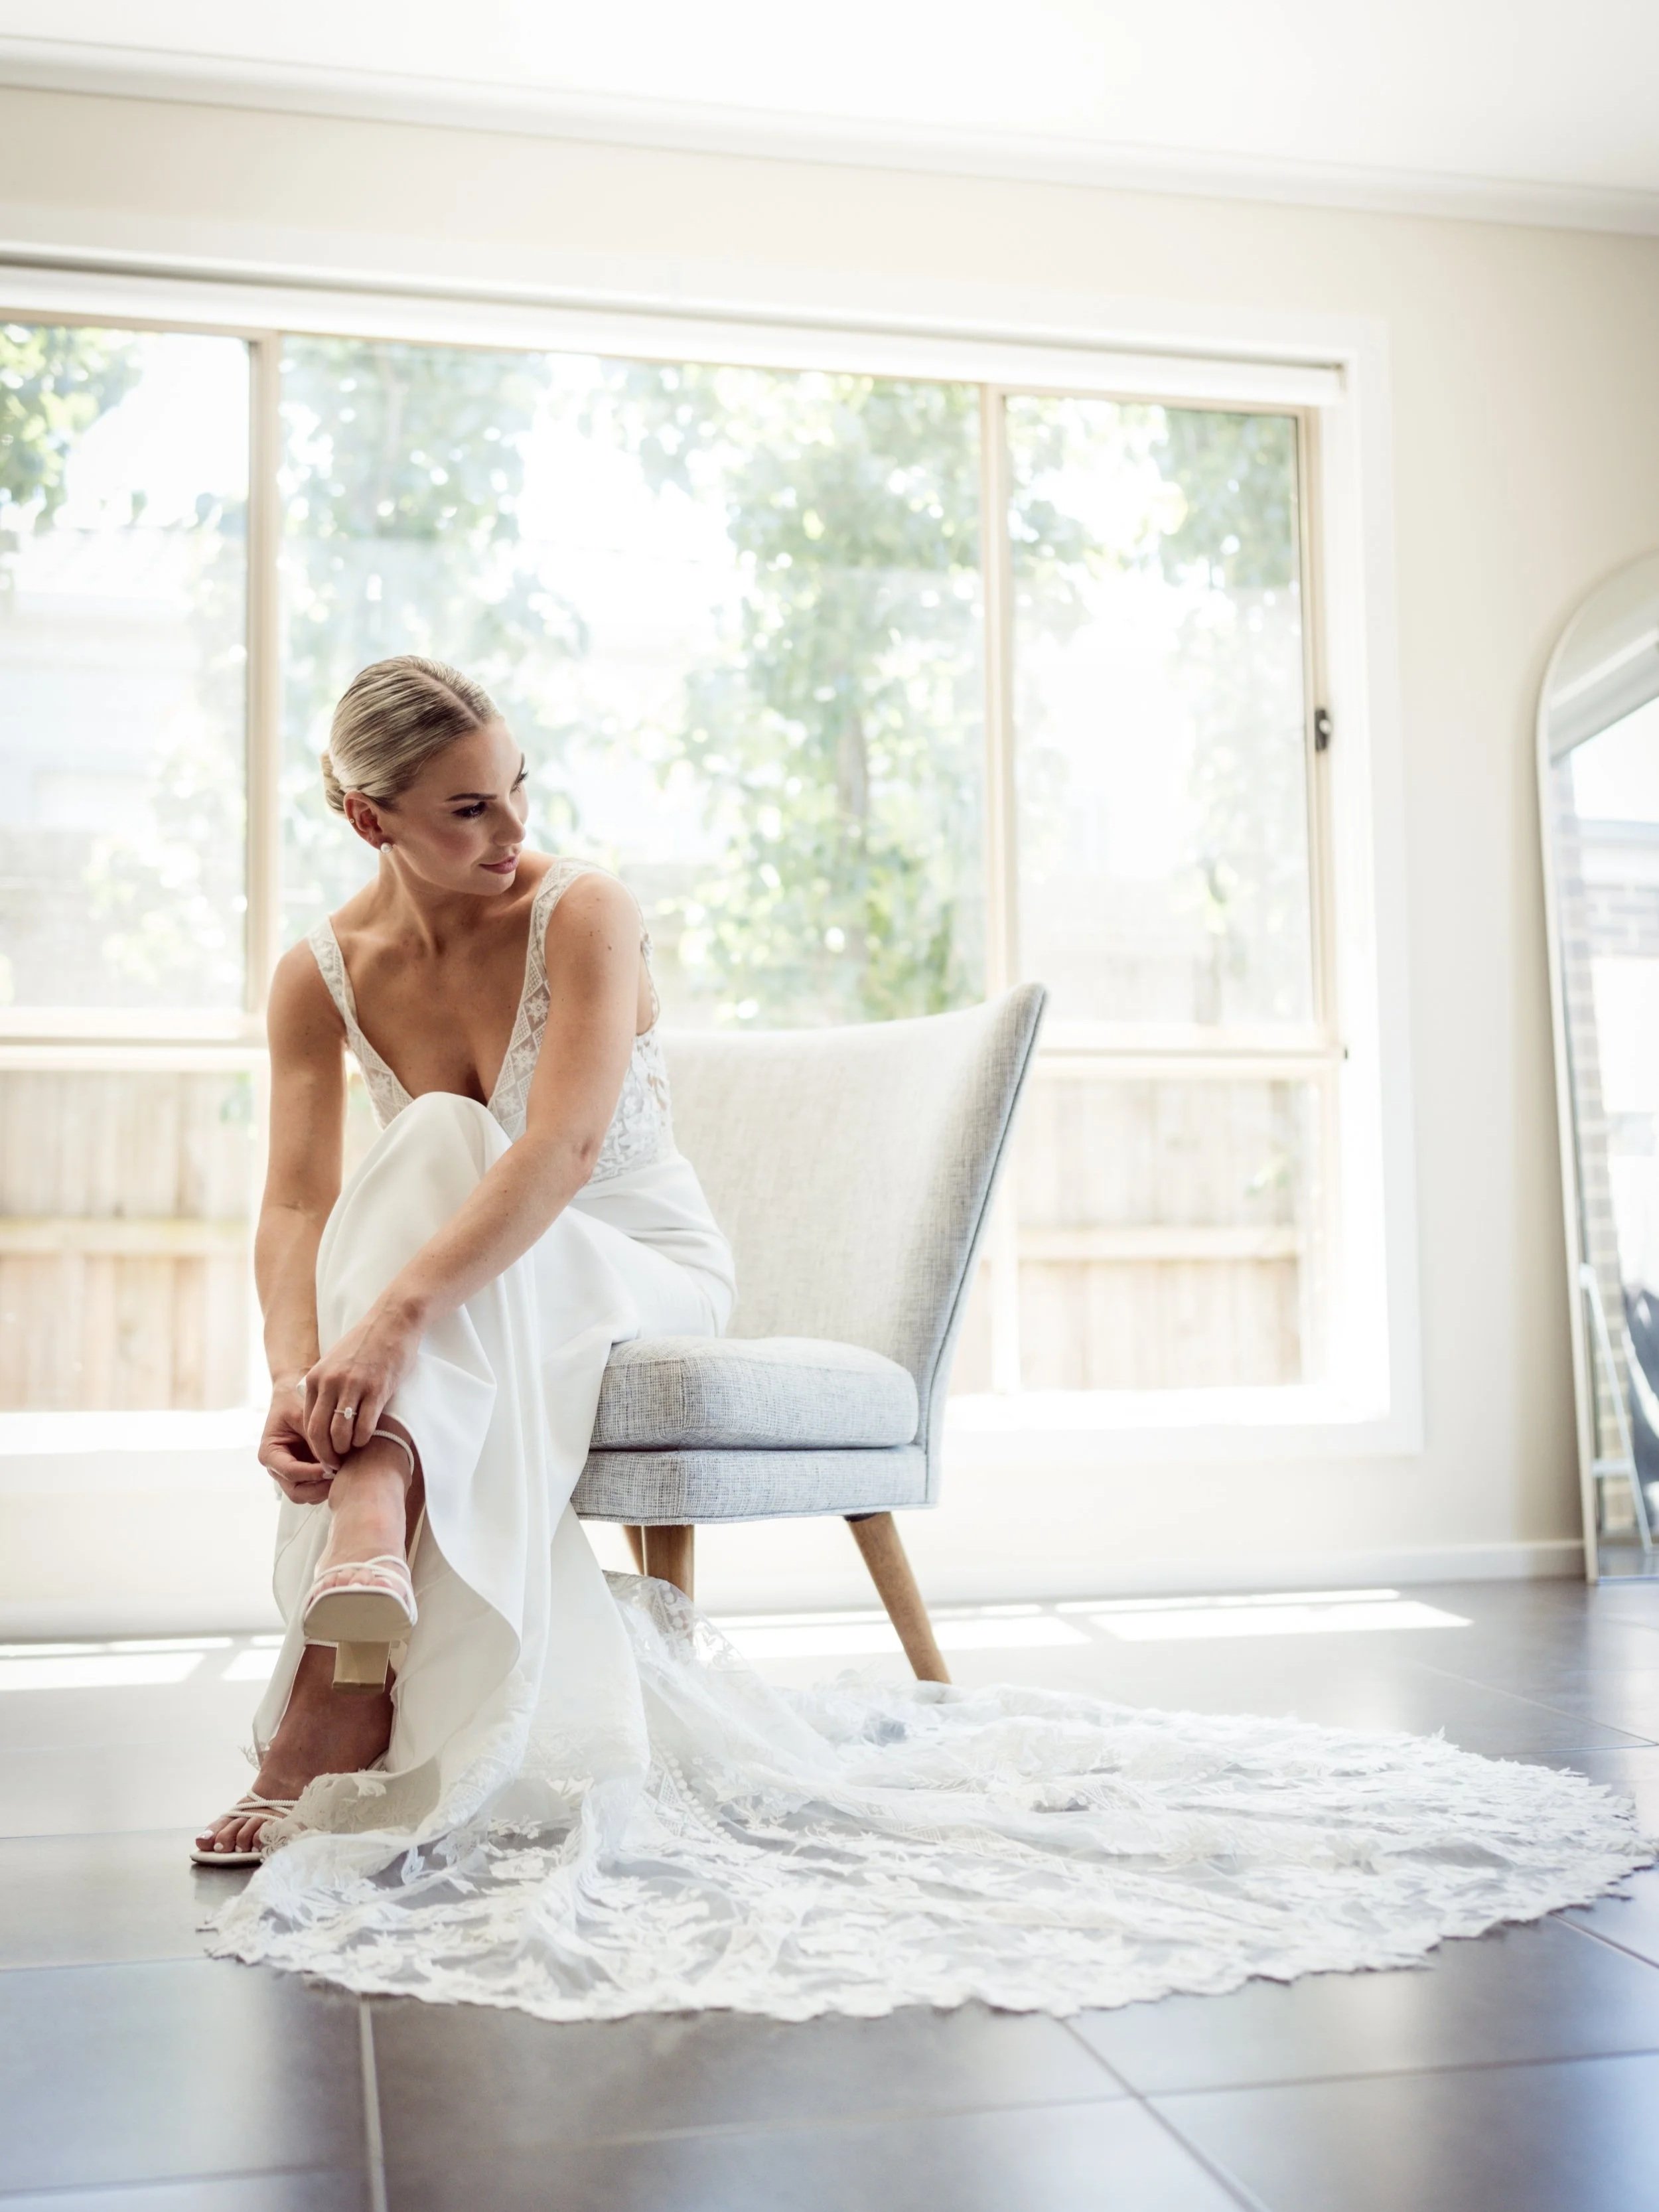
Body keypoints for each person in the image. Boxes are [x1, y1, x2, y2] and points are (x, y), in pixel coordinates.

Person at [201, 654, 1646, 2022]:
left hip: (634, 1260)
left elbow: (566, 1148)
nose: (517, 826)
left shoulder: (584, 909)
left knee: (455, 1147)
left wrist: (378, 1334)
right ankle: (372, 1531)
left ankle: (349, 1641)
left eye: (520, 782)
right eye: (468, 805)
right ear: (363, 815)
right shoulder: (313, 971)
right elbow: (292, 1201)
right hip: (478, 1287)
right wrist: (293, 1370)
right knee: (432, 1148)